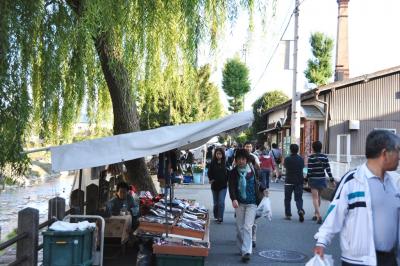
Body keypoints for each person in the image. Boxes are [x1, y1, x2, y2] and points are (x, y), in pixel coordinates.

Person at [314, 130, 400, 266]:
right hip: (357, 261)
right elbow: (335, 211)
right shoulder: (352, 180)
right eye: (397, 151)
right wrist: (322, 241)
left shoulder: (395, 183)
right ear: (385, 154)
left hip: (390, 260)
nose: (399, 156)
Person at [228, 148, 266, 262]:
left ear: (247, 160)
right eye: (239, 159)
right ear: (236, 160)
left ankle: (246, 251)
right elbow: (231, 187)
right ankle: (242, 247)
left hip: (252, 202)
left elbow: (259, 182)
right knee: (240, 228)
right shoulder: (233, 172)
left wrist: (264, 189)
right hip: (239, 202)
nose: (241, 161)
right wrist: (233, 199)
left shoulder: (253, 170)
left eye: (243, 159)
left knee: (248, 227)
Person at [306, 140, 334, 224]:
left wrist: (306, 179)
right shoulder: (324, 157)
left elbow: (309, 170)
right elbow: (328, 169)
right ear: (321, 148)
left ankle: (318, 215)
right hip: (322, 179)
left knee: (315, 198)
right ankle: (315, 214)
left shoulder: (311, 158)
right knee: (318, 197)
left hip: (314, 179)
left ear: (313, 148)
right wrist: (332, 179)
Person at [243, 141, 261, 248]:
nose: (248, 148)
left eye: (250, 146)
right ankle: (244, 238)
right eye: (247, 146)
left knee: (253, 219)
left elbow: (259, 174)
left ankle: (253, 238)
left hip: (254, 194)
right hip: (242, 195)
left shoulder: (255, 158)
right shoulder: (239, 157)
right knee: (242, 222)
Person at [283, 144, 305, 222]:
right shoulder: (301, 159)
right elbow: (302, 167)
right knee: (299, 198)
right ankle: (300, 210)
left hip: (289, 181)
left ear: (290, 150)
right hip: (299, 181)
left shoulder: (287, 159)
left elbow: (285, 166)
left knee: (287, 199)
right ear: (297, 150)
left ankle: (288, 215)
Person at [208, 147, 228, 224]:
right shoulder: (212, 163)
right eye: (217, 153)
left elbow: (229, 172)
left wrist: (228, 180)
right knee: (216, 203)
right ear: (215, 154)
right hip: (214, 186)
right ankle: (216, 216)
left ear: (222, 154)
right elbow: (209, 172)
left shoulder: (225, 162)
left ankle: (220, 217)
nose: (218, 155)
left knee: (221, 202)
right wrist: (211, 179)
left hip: (223, 186)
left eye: (220, 153)